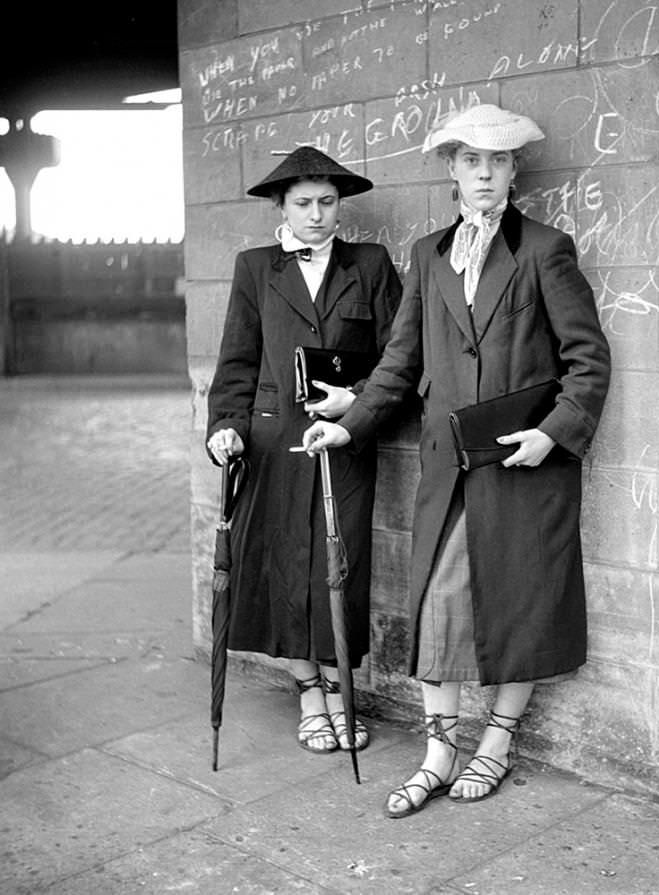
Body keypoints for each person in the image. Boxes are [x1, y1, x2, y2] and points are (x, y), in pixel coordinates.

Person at [302, 103, 611, 816]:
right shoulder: (427, 255)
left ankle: (496, 745)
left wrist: (552, 433)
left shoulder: (546, 249)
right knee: (439, 607)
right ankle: (439, 754)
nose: (485, 174)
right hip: (450, 467)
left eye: (497, 161)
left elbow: (588, 361)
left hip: (525, 463)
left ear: (513, 170)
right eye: (471, 160)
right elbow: (401, 362)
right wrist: (349, 425)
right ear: (452, 168)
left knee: (523, 605)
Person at [206, 146, 402, 756]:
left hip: (344, 439)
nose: (317, 215)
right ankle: (310, 694)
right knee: (285, 564)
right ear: (281, 207)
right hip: (272, 441)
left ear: (340, 206)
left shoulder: (370, 264)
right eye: (303, 204)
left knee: (338, 565)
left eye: (327, 202)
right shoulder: (255, 267)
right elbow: (238, 359)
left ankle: (342, 693)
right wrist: (226, 427)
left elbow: (400, 355)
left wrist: (357, 399)